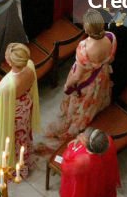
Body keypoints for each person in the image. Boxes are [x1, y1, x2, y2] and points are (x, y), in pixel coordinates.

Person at [46, 9, 116, 143]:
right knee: (93, 102)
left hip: (86, 81)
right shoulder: (110, 37)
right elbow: (110, 58)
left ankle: (75, 126)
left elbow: (77, 76)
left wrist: (68, 85)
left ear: (87, 29)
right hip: (101, 76)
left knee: (79, 105)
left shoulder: (84, 48)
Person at [0, 43, 40, 178]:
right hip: (26, 106)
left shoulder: (7, 85)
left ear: (9, 62)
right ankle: (26, 157)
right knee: (24, 134)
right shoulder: (30, 67)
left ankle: (19, 167)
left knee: (15, 140)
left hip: (14, 113)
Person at [58, 128, 120, 197]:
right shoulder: (108, 141)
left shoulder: (82, 160)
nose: (81, 134)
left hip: (86, 186)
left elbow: (65, 166)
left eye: (83, 135)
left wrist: (72, 146)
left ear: (87, 143)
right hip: (101, 180)